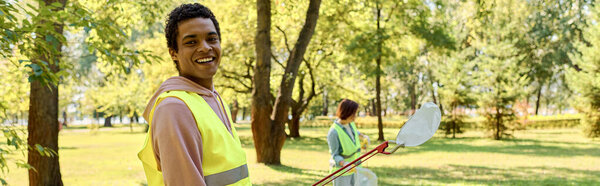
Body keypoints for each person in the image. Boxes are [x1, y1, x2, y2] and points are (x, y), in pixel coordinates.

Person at [137, 3, 250, 186]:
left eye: (211, 39)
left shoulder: (214, 99)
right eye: (191, 42)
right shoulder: (174, 109)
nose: (205, 48)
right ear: (173, 53)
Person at [327, 99, 370, 185]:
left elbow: (354, 133)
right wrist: (345, 164)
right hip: (341, 172)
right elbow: (335, 155)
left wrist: (363, 137)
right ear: (346, 112)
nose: (355, 116)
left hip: (355, 168)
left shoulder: (350, 123)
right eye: (354, 113)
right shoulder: (333, 132)